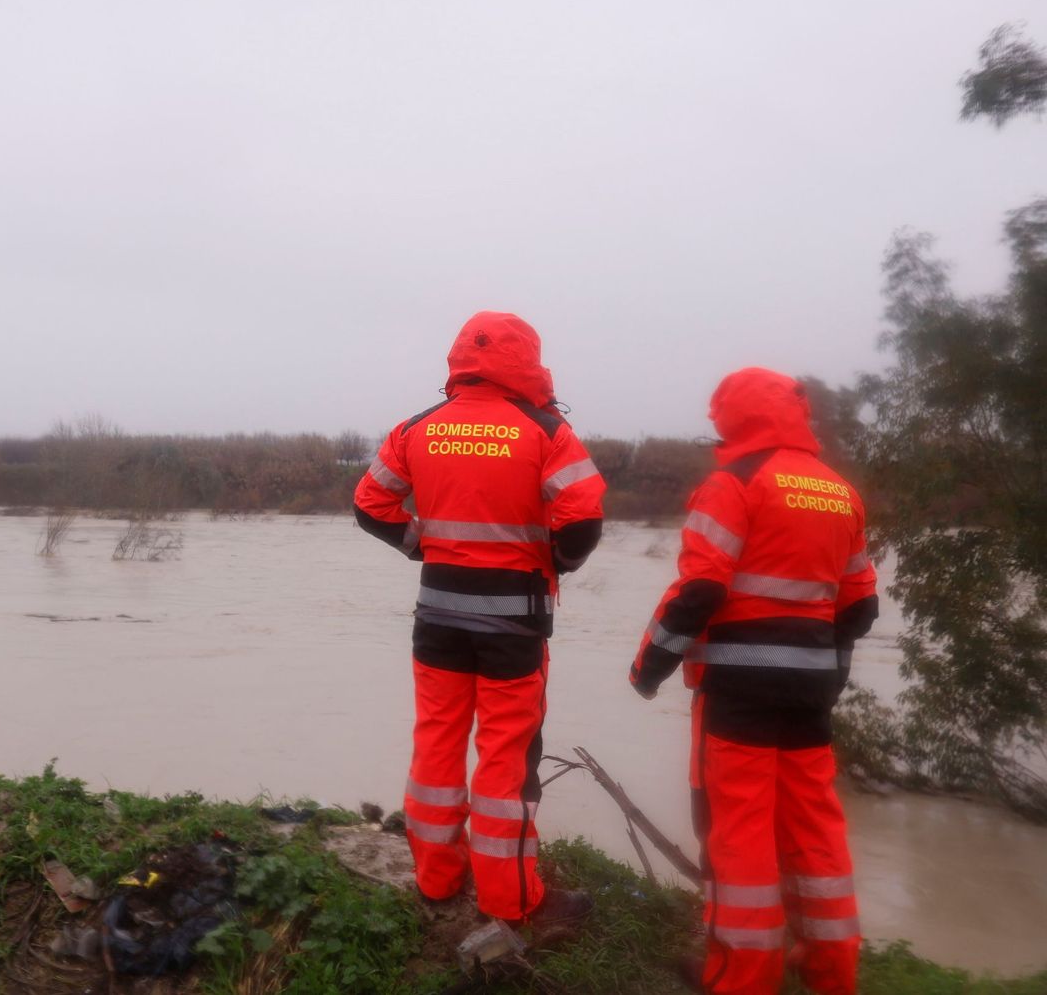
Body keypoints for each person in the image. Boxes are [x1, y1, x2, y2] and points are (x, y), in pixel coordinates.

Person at [629, 368, 878, 994]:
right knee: (815, 832)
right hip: (812, 693)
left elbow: (700, 591)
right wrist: (825, 665)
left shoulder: (733, 483)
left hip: (738, 691)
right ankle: (831, 971)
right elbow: (860, 607)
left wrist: (650, 668)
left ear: (733, 418)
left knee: (738, 839)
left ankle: (741, 980)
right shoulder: (838, 492)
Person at [354, 310, 606, 927]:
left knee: (436, 747)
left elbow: (369, 502)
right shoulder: (545, 430)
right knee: (506, 760)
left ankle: (436, 881)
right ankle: (512, 900)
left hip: (436, 616)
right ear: (526, 360)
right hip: (514, 624)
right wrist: (556, 562)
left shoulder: (417, 428)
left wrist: (423, 546)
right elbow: (582, 521)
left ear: (460, 357)